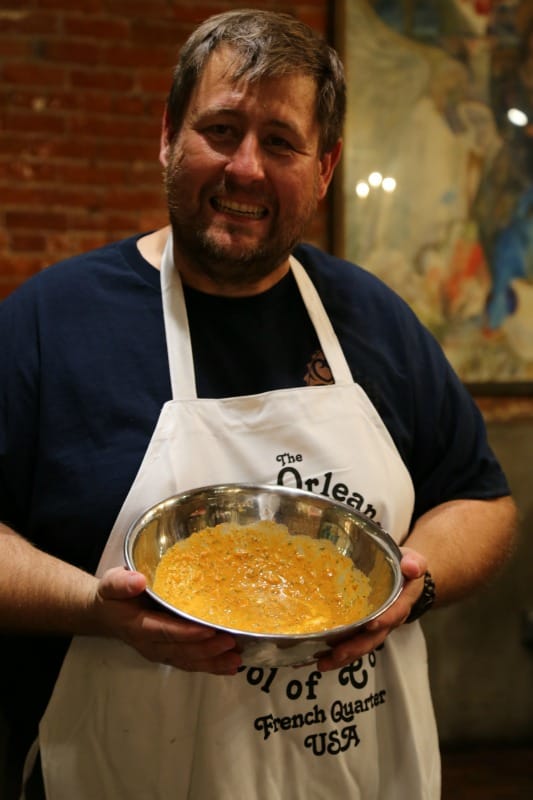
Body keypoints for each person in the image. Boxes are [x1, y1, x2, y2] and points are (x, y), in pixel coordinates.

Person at [0, 9, 517, 800]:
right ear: (167, 135)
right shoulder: (50, 322)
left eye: (280, 142)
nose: (245, 168)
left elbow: (480, 500)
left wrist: (419, 580)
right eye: (220, 128)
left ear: (324, 165)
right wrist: (94, 609)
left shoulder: (371, 318)